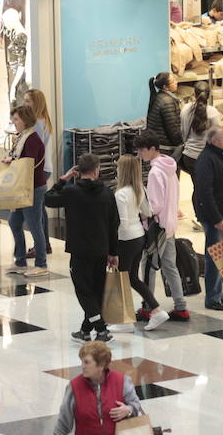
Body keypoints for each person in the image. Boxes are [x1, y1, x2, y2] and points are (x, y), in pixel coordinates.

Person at [55, 154, 119, 342]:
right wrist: (113, 252)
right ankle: (85, 331)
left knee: (83, 290)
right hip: (101, 249)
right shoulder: (107, 193)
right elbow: (114, 224)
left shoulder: (71, 192)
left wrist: (63, 180)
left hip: (80, 250)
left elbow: (48, 199)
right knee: (96, 289)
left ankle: (101, 329)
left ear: (78, 171)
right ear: (96, 170)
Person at [134, 131, 190, 323]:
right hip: (170, 225)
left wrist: (141, 212)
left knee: (148, 266)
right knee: (169, 266)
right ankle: (181, 307)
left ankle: (148, 307)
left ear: (152, 149)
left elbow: (154, 205)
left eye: (142, 150)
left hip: (157, 227)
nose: (140, 154)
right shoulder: (170, 167)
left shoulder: (156, 172)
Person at [192, 127, 223, 311]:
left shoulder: (222, 156)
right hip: (215, 216)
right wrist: (216, 218)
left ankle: (219, 293)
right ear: (213, 141)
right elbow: (204, 192)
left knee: (222, 255)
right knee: (214, 256)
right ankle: (212, 298)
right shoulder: (206, 159)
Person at [114, 154, 163, 329]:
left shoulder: (120, 194)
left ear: (123, 171)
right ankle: (156, 309)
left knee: (122, 279)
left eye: (118, 168)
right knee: (132, 278)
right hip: (139, 237)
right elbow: (148, 212)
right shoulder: (139, 189)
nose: (117, 170)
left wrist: (112, 243)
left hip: (125, 239)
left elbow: (122, 222)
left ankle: (124, 321)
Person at [5, 104, 50, 277]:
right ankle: (21, 260)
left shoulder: (32, 139)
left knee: (34, 225)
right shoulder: (23, 137)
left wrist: (13, 161)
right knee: (14, 222)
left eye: (16, 119)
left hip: (33, 188)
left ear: (25, 119)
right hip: (23, 187)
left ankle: (41, 263)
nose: (14, 122)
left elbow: (28, 164)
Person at [179, 80, 223, 179]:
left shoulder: (185, 109)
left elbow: (183, 132)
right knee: (207, 189)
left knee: (197, 187)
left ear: (194, 94)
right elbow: (217, 138)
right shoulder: (213, 112)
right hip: (207, 157)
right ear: (209, 95)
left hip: (189, 156)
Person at [145, 71, 183, 153]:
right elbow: (173, 130)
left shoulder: (159, 96)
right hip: (166, 148)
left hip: (158, 145)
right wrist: (181, 144)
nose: (176, 82)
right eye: (173, 81)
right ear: (165, 87)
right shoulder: (167, 102)